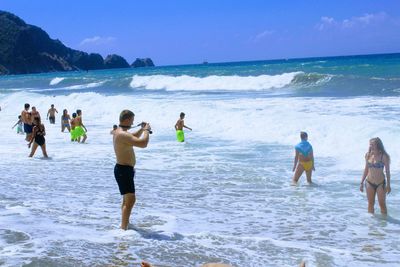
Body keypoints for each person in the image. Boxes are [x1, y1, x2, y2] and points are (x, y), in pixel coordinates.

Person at [113, 110, 151, 230]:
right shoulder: (122, 134)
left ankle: (125, 225)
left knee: (127, 200)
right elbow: (143, 143)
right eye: (132, 120)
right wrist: (146, 130)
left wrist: (141, 129)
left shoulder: (119, 132)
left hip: (124, 170)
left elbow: (133, 137)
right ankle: (123, 229)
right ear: (127, 120)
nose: (133, 122)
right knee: (130, 200)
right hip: (123, 170)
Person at [360, 137, 391, 215]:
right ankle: (371, 224)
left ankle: (384, 224)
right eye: (370, 144)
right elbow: (366, 169)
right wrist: (361, 182)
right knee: (370, 204)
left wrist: (388, 185)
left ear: (378, 145)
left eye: (372, 144)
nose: (370, 146)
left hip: (380, 183)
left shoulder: (384, 156)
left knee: (382, 204)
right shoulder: (368, 155)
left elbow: (387, 172)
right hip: (369, 182)